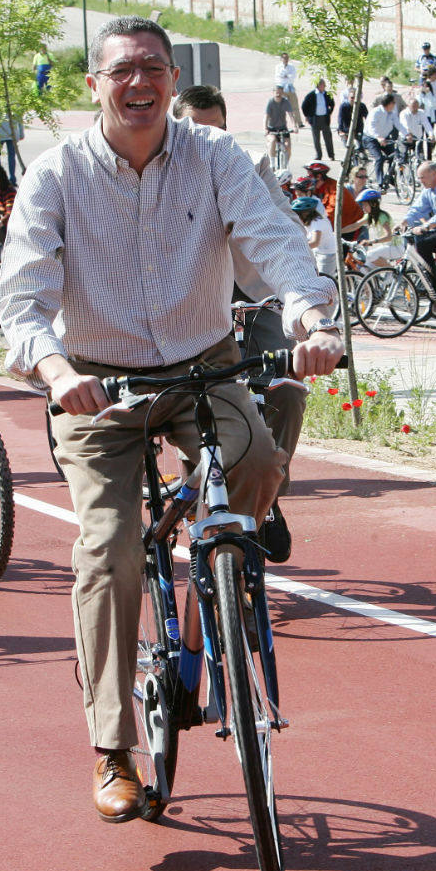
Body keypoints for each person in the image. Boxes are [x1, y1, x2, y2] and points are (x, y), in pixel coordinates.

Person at [0, 16, 342, 822]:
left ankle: (206, 589)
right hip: (95, 384)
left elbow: (274, 243)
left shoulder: (214, 156)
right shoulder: (55, 177)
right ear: (95, 85)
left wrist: (308, 319)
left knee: (257, 462)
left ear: (171, 80)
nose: (140, 82)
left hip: (199, 365)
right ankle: (113, 745)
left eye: (154, 67)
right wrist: (52, 370)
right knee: (109, 547)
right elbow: (22, 298)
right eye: (122, 70)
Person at [173, 83, 311, 560]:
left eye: (217, 130)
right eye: (195, 129)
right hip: (190, 300)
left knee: (288, 388)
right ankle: (208, 485)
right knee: (191, 395)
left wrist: (303, 293)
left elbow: (285, 226)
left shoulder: (250, 163)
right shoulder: (161, 168)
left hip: (252, 291)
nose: (209, 139)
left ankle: (268, 493)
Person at [398, 160, 436, 315]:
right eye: (419, 178)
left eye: (422, 178)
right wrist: (404, 221)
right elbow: (417, 208)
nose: (420, 181)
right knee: (421, 244)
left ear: (434, 175)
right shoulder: (429, 190)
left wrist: (426, 226)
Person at [305, 160, 365, 237]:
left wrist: (314, 223)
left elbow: (332, 211)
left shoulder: (334, 188)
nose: (307, 177)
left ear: (319, 176)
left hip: (351, 230)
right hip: (336, 227)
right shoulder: (316, 188)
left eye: (309, 175)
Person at [362, 94, 401, 189]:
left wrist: (407, 134)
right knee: (379, 158)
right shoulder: (376, 112)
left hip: (384, 138)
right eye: (393, 103)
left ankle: (390, 176)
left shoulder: (392, 114)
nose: (395, 105)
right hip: (371, 138)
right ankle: (380, 183)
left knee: (395, 154)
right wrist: (378, 137)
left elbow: (399, 125)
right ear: (388, 104)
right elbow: (371, 127)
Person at [355, 188, 401, 267]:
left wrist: (371, 242)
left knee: (370, 255)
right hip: (386, 247)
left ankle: (393, 271)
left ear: (374, 204)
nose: (363, 207)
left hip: (395, 247)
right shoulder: (369, 216)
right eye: (362, 205)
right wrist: (338, 231)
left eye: (365, 205)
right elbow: (355, 225)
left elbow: (389, 237)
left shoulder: (382, 216)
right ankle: (384, 275)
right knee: (365, 267)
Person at [292, 196, 337, 276]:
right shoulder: (309, 223)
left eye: (298, 214)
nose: (297, 217)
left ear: (305, 213)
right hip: (317, 254)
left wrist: (297, 246)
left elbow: (315, 242)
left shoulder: (317, 222)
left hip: (326, 255)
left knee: (323, 283)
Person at [302, 78, 336, 161]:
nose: (324, 87)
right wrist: (307, 115)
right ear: (318, 86)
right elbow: (304, 106)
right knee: (316, 139)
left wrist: (329, 112)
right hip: (315, 119)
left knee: (328, 138)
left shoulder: (327, 94)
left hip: (324, 119)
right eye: (322, 85)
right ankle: (319, 155)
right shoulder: (311, 95)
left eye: (324, 85)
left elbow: (332, 104)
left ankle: (331, 155)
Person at [0, 112, 25, 186]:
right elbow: (19, 119)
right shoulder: (14, 103)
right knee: (11, 156)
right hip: (12, 133)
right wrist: (21, 133)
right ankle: (12, 179)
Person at [264, 85, 297, 163]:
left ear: (282, 92)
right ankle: (272, 164)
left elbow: (291, 115)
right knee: (273, 141)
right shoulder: (271, 102)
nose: (278, 94)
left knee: (288, 145)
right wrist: (265, 128)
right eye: (276, 92)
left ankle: (286, 164)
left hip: (282, 127)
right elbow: (266, 117)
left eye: (280, 92)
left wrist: (295, 126)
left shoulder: (285, 101)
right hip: (272, 128)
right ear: (273, 92)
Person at [274, 52, 304, 127]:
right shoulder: (278, 67)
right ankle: (279, 123)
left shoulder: (291, 67)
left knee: (294, 105)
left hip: (290, 87)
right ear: (281, 59)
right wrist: (285, 75)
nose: (286, 60)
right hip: (281, 88)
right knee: (280, 106)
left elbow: (293, 76)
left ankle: (299, 122)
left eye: (287, 58)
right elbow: (279, 76)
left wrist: (286, 76)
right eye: (284, 58)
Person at [400, 95, 434, 160]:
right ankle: (401, 168)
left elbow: (427, 124)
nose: (415, 108)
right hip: (405, 138)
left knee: (420, 158)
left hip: (417, 138)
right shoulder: (404, 113)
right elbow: (405, 125)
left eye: (416, 106)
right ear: (408, 106)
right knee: (403, 158)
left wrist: (431, 135)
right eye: (413, 106)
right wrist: (408, 134)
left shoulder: (421, 113)